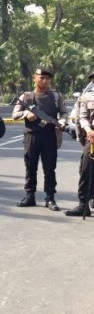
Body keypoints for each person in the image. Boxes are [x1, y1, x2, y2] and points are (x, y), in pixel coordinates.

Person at [11, 68, 67, 210]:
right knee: (30, 167)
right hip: (32, 135)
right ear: (34, 78)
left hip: (50, 136)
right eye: (41, 78)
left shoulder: (56, 96)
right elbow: (15, 114)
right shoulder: (27, 96)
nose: (45, 81)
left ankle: (50, 198)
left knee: (49, 168)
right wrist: (26, 114)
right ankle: (30, 196)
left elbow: (64, 112)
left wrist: (62, 121)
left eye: (47, 78)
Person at [65, 85, 94, 217]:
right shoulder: (86, 97)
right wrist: (89, 131)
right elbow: (82, 117)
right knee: (86, 170)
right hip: (92, 137)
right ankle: (83, 205)